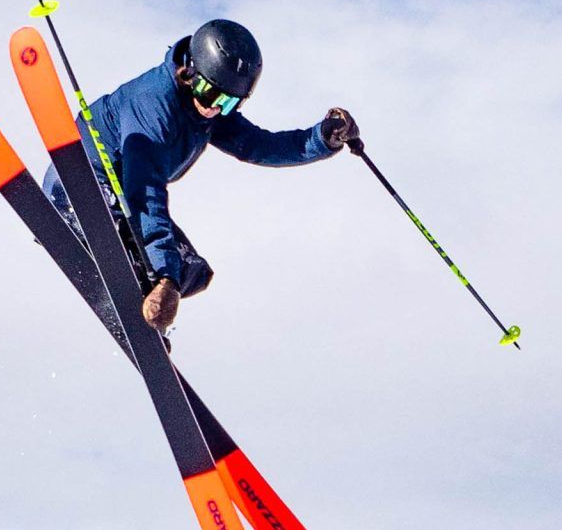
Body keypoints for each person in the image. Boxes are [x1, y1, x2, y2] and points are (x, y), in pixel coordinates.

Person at [42, 19, 354, 339]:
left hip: (127, 195)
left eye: (228, 102)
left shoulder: (208, 111)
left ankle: (144, 309)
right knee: (164, 267)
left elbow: (259, 145)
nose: (212, 107)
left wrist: (323, 138)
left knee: (192, 272)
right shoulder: (153, 108)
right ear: (189, 72)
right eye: (208, 93)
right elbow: (145, 191)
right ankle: (98, 241)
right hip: (84, 185)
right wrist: (164, 278)